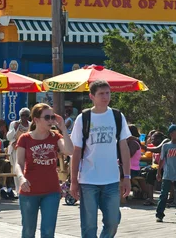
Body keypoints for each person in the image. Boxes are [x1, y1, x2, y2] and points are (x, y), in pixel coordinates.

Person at [69, 80, 132, 238]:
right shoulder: (83, 118)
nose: (105, 97)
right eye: (101, 94)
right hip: (88, 179)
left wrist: (127, 176)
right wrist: (73, 181)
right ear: (92, 96)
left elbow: (124, 147)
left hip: (111, 179)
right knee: (89, 225)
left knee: (113, 222)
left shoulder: (117, 116)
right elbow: (76, 151)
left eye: (108, 93)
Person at [15, 103, 74, 238]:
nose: (51, 120)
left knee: (48, 232)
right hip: (29, 191)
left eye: (52, 117)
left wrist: (63, 128)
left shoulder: (56, 137)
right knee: (28, 231)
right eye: (47, 117)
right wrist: (21, 178)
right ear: (36, 119)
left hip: (51, 191)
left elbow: (70, 151)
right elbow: (18, 163)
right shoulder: (25, 138)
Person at [7, 107, 31, 193]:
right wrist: (14, 128)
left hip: (27, 149)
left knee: (26, 169)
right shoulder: (14, 123)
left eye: (26, 115)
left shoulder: (31, 125)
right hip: (16, 149)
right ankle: (18, 190)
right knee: (16, 168)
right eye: (22, 115)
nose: (24, 117)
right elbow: (9, 137)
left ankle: (26, 187)